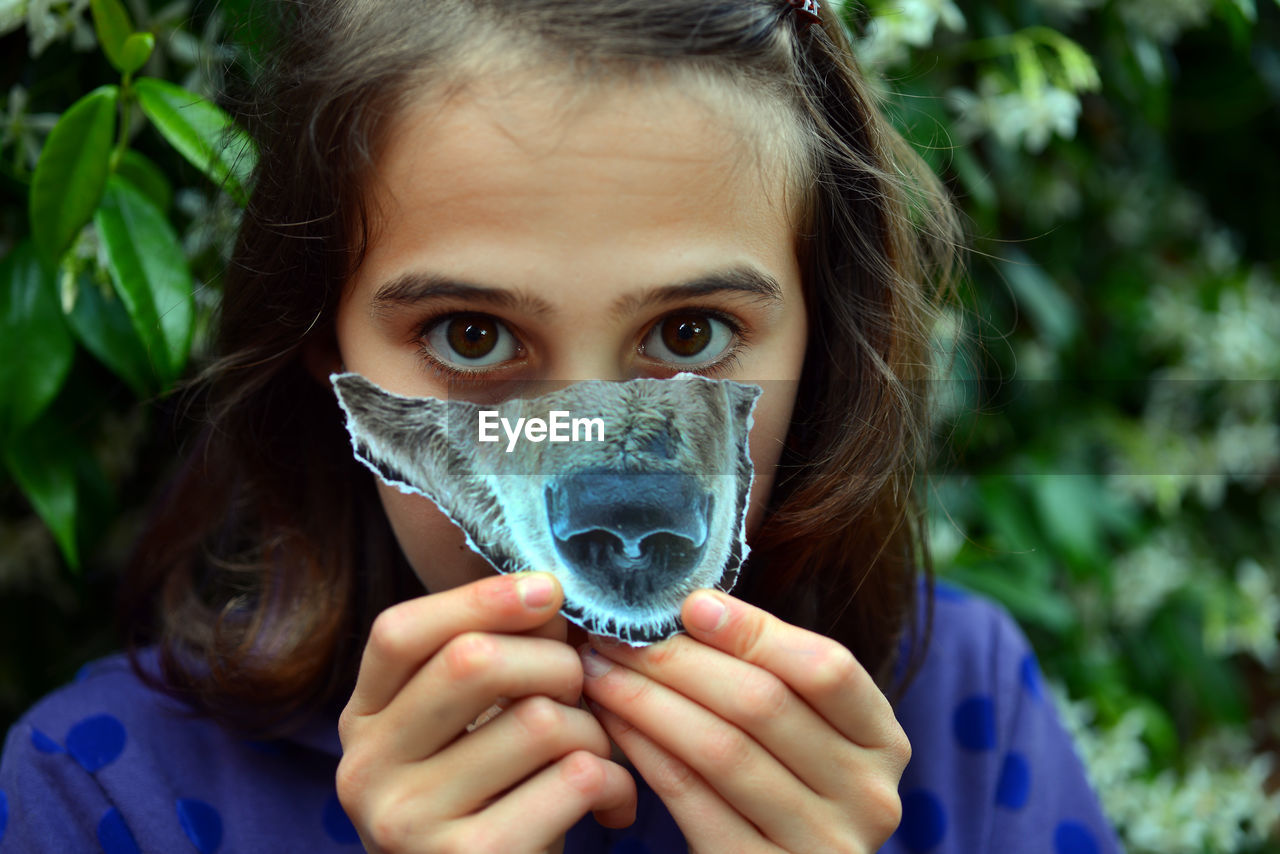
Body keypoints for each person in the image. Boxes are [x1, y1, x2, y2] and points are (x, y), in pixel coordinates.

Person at [0, 0, 1123, 851]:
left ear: (820, 335)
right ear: (324, 347)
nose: (597, 481)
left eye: (687, 334)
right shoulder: (99, 789)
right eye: (471, 336)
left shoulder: (957, 705)